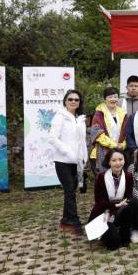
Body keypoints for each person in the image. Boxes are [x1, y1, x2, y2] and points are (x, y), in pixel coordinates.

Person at [49, 89, 88, 235]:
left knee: (71, 190)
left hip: (76, 162)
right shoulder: (59, 117)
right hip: (63, 161)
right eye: (70, 99)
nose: (73, 102)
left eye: (76, 100)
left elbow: (81, 141)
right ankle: (74, 221)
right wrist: (68, 152)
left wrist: (83, 158)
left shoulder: (80, 118)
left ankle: (66, 220)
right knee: (70, 190)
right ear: (65, 101)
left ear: (79, 103)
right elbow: (52, 138)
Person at [88, 149, 138, 250]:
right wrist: (113, 206)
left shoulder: (128, 176)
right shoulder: (101, 177)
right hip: (104, 211)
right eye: (114, 160)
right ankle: (105, 232)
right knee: (113, 245)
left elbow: (128, 196)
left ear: (124, 160)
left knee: (128, 209)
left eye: (120, 159)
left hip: (120, 210)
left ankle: (125, 236)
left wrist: (124, 203)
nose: (118, 163)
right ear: (108, 162)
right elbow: (99, 200)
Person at [90, 87, 127, 174]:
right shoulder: (98, 114)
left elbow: (127, 133)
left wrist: (123, 145)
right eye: (110, 97)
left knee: (119, 179)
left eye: (115, 97)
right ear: (104, 99)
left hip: (119, 152)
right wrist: (114, 145)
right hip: (102, 151)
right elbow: (97, 134)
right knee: (103, 180)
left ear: (118, 98)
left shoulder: (123, 113)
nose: (113, 99)